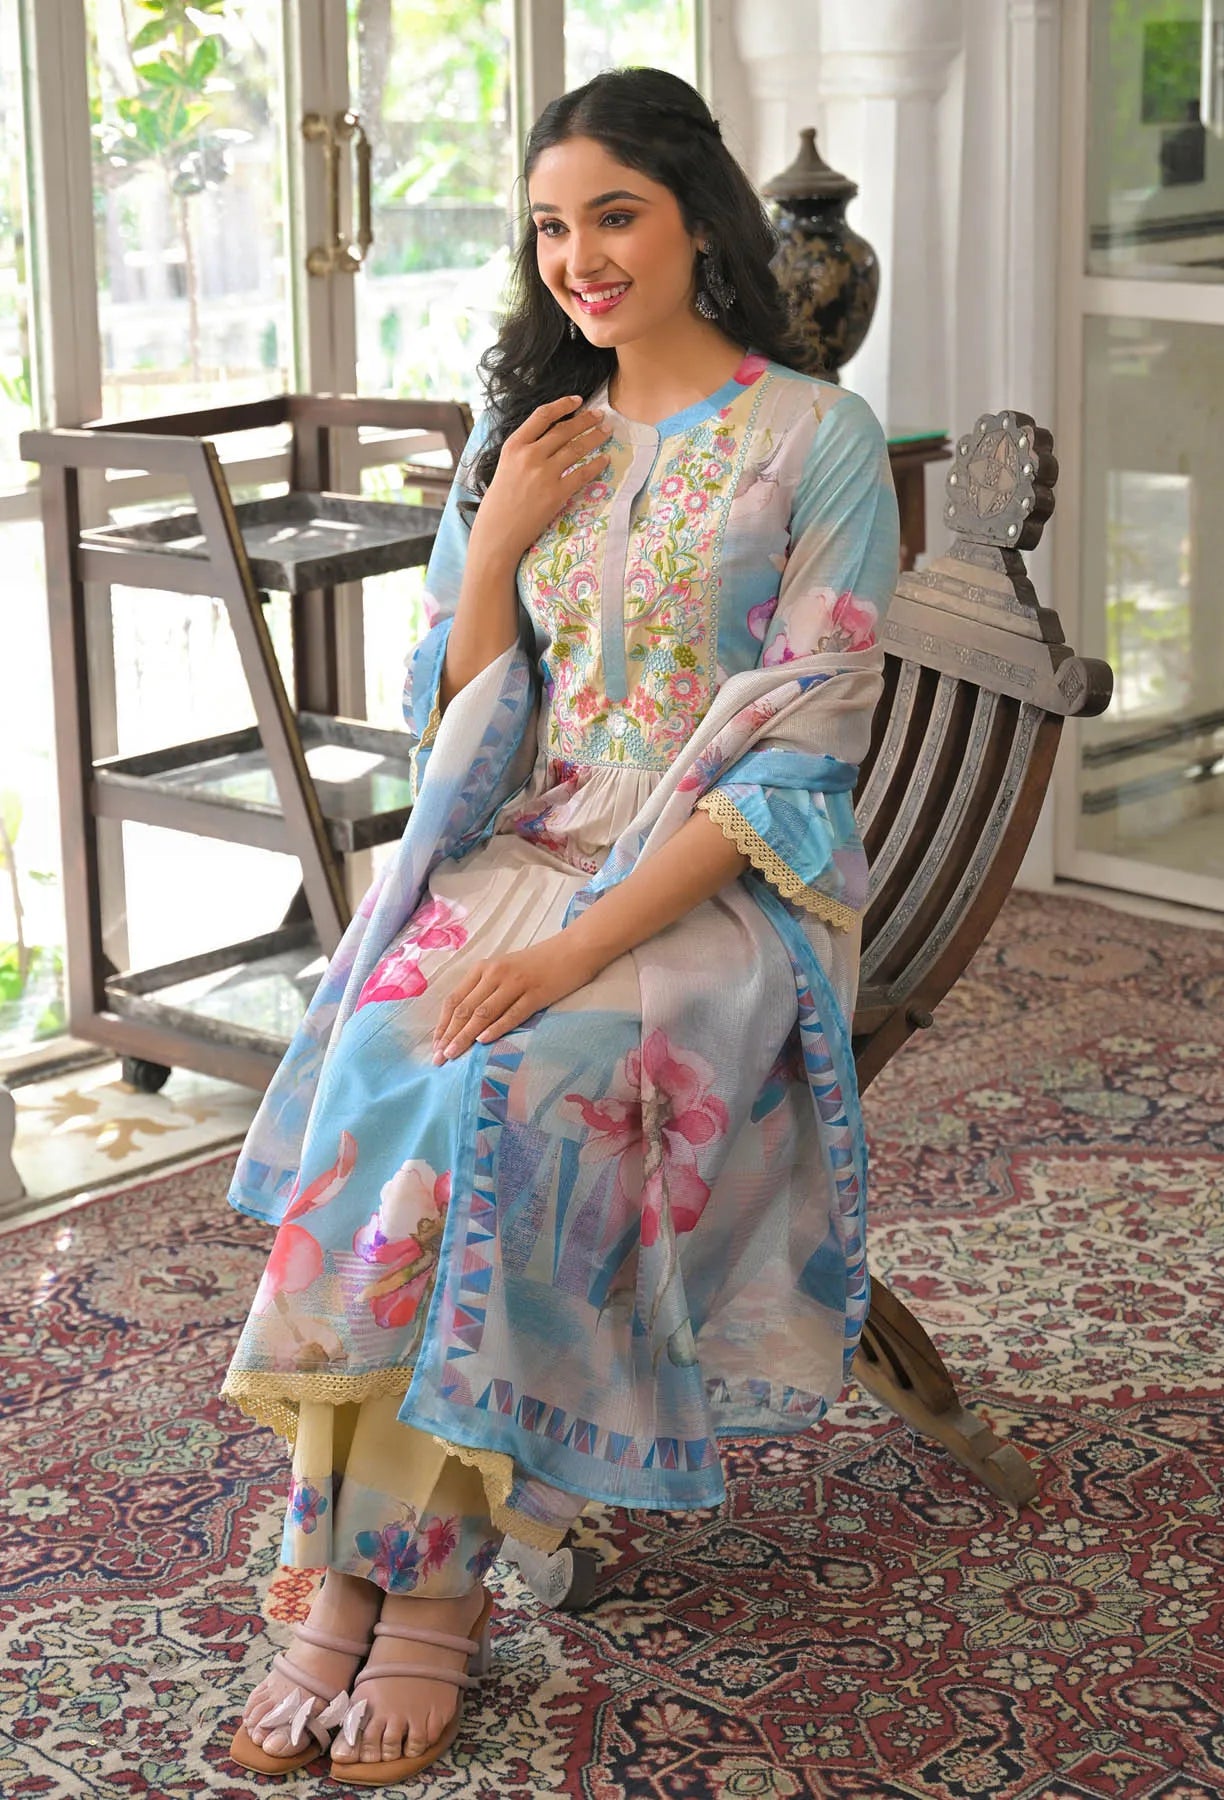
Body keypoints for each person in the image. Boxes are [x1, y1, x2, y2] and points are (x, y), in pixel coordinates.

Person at [223, 64, 899, 1784]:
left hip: (711, 891)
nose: (579, 257)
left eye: (615, 216)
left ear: (698, 223)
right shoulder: (532, 435)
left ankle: (408, 1597)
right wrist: (500, 533)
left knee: (508, 1096)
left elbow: (800, 764)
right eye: (548, 225)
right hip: (525, 844)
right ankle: (335, 1579)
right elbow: (473, 716)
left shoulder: (814, 440)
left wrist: (570, 951)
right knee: (387, 1059)